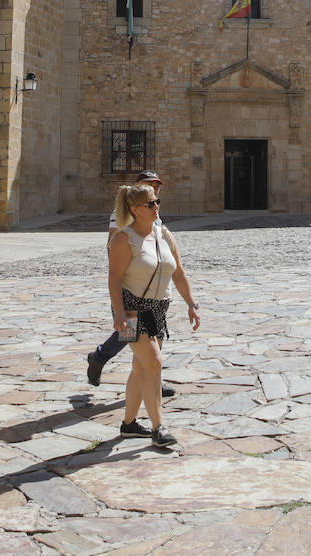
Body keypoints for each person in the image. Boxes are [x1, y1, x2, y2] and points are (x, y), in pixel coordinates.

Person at [106, 183, 199, 447]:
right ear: (134, 209)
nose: (156, 207)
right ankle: (160, 427)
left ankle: (129, 425)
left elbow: (178, 273)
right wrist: (119, 314)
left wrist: (192, 303)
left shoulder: (164, 234)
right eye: (150, 204)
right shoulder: (123, 239)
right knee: (154, 362)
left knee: (141, 367)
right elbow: (114, 278)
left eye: (157, 201)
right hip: (129, 309)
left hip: (158, 309)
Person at [87, 171, 174, 398]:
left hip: (154, 286)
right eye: (149, 185)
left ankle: (152, 377)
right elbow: (114, 243)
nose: (154, 190)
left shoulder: (153, 210)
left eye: (157, 186)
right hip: (134, 286)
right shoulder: (122, 212)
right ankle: (100, 357)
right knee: (132, 332)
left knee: (151, 335)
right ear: (137, 187)